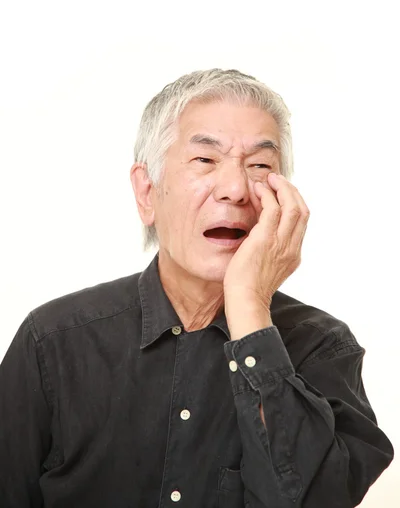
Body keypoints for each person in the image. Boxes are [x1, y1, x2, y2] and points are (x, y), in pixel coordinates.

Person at [0, 68, 394, 507]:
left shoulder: (323, 348)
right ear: (147, 192)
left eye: (261, 166)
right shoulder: (52, 342)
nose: (236, 189)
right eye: (205, 160)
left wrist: (248, 304)